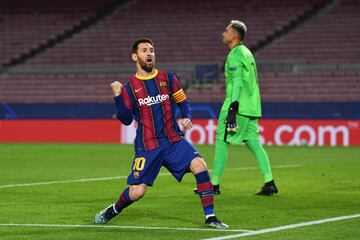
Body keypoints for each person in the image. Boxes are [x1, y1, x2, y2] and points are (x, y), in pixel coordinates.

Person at [94, 38, 228, 229]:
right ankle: (113, 210)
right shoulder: (129, 88)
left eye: (151, 50)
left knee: (200, 165)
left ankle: (210, 217)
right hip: (148, 144)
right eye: (144, 51)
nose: (149, 54)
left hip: (173, 139)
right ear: (135, 56)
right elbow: (126, 119)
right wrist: (117, 96)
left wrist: (187, 116)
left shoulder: (169, 78)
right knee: (137, 192)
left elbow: (183, 102)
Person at [197, 20, 278, 196]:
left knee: (221, 139)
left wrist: (232, 108)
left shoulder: (234, 55)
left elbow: (237, 81)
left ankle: (214, 184)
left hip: (237, 105)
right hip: (252, 106)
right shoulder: (247, 53)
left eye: (226, 30)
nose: (223, 33)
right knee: (253, 143)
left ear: (234, 35)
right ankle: (269, 181)